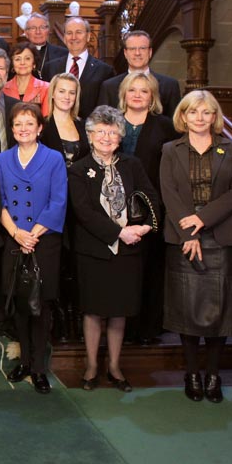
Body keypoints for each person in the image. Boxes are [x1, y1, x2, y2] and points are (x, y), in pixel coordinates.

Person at [160, 90, 232, 403]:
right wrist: (189, 233)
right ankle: (192, 373)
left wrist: (202, 220)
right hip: (183, 237)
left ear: (214, 116)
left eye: (206, 112)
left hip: (220, 236)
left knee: (218, 311)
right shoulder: (170, 149)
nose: (199, 118)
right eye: (193, 112)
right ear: (182, 116)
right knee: (187, 310)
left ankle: (213, 374)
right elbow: (169, 193)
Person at [68, 105, 159, 393]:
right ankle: (92, 365)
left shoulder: (132, 165)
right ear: (90, 135)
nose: (107, 137)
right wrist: (119, 232)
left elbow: (151, 196)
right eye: (101, 131)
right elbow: (83, 212)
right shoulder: (79, 169)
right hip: (94, 251)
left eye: (113, 132)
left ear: (121, 137)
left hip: (129, 251)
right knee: (94, 311)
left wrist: (145, 227)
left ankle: (115, 366)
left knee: (119, 311)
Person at [0, 103, 68, 393]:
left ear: (39, 128)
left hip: (43, 241)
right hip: (14, 241)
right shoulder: (2, 160)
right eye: (17, 124)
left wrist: (32, 235)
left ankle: (39, 368)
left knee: (41, 306)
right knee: (20, 305)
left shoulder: (54, 159)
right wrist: (16, 234)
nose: (23, 128)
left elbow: (58, 201)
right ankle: (24, 361)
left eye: (29, 123)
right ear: (11, 130)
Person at [117, 72, 179, 344]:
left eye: (144, 91)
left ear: (153, 96)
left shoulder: (165, 127)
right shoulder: (112, 123)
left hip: (153, 205)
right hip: (116, 207)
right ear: (124, 94)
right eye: (133, 90)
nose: (138, 95)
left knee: (152, 269)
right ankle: (123, 328)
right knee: (123, 271)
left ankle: (148, 328)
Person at [40, 72, 90, 341]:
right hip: (52, 203)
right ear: (53, 93)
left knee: (76, 263)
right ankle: (56, 322)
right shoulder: (43, 126)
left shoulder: (83, 126)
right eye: (62, 91)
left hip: (80, 204)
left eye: (72, 92)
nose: (67, 97)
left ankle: (76, 319)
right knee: (55, 262)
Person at [41, 16, 113, 119]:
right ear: (64, 37)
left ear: (88, 36)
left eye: (79, 32)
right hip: (55, 130)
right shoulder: (50, 68)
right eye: (69, 33)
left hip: (88, 131)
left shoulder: (105, 71)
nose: (73, 37)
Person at [98, 30, 181, 118]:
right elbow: (102, 122)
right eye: (132, 49)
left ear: (150, 52)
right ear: (125, 53)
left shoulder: (169, 85)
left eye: (142, 48)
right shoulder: (109, 86)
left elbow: (175, 124)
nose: (137, 53)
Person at [3, 41, 50, 113]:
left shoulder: (46, 88)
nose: (22, 63)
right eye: (18, 59)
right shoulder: (3, 89)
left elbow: (46, 119)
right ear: (12, 64)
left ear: (34, 63)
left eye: (27, 58)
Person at [20, 13, 68, 78]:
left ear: (48, 31)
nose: (38, 32)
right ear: (26, 33)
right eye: (33, 28)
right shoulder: (18, 54)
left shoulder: (63, 53)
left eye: (42, 27)